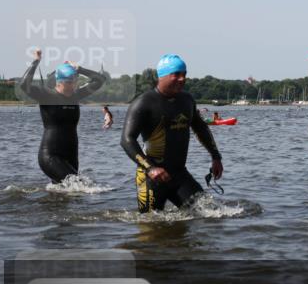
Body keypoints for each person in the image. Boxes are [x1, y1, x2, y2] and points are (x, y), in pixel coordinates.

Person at [121, 54, 223, 213]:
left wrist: (216, 157)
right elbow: (127, 140)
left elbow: (201, 128)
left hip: (180, 174)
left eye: (184, 74)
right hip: (151, 177)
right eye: (176, 74)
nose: (182, 79)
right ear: (162, 76)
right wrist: (150, 168)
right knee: (150, 224)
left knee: (210, 215)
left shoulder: (187, 100)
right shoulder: (144, 102)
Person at [18, 49, 106, 183]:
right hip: (50, 156)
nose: (73, 85)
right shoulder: (46, 96)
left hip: (71, 155)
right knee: (79, 185)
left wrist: (79, 69)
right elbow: (24, 84)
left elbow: (100, 80)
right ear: (59, 82)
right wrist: (36, 61)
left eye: (74, 81)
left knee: (66, 193)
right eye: (69, 82)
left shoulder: (76, 95)